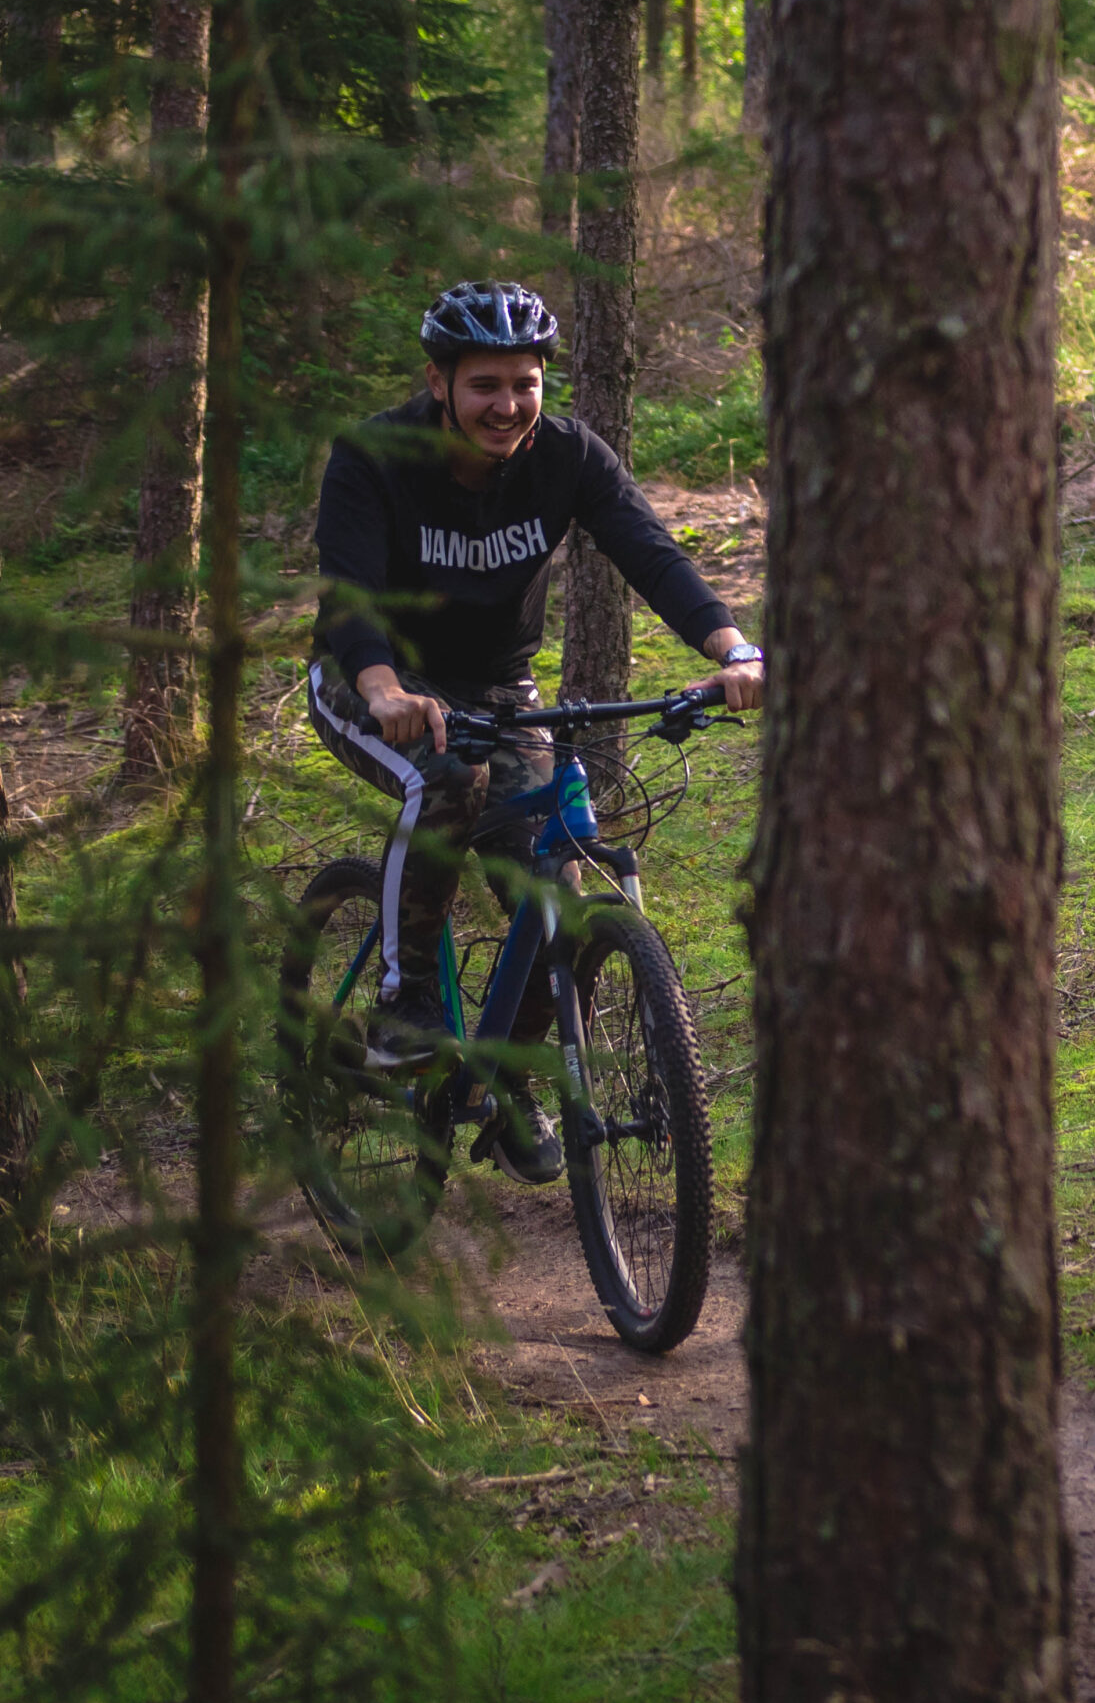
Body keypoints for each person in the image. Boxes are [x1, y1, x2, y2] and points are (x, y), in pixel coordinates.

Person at [307, 280, 765, 1186]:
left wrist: (733, 646)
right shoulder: (374, 456)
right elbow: (348, 597)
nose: (508, 405)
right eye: (485, 384)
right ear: (439, 382)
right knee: (443, 779)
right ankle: (405, 1006)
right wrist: (383, 682)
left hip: (498, 688)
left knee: (555, 887)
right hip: (369, 677)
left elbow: (651, 551)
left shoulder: (564, 456)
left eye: (525, 382)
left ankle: (503, 1083)